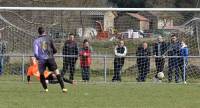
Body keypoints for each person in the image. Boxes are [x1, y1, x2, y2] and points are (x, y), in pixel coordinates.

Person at [33, 27, 67, 92]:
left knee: (41, 74)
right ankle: (63, 88)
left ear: (38, 32)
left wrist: (38, 58)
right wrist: (51, 54)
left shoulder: (36, 41)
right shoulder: (49, 38)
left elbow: (35, 53)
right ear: (44, 32)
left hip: (42, 60)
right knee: (57, 73)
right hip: (50, 58)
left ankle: (45, 89)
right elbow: (55, 50)